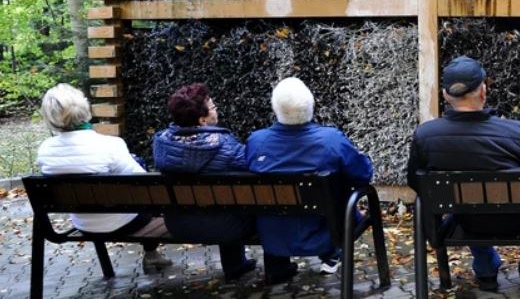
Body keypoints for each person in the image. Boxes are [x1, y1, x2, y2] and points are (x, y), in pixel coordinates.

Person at [406, 56, 520, 293]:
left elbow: (416, 181)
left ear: (445, 95)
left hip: (469, 222)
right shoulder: (514, 132)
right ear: (483, 91)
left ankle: (486, 270)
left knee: (467, 203)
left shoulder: (425, 135)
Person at [246, 77, 373, 285]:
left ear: (274, 108)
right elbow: (362, 175)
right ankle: (331, 255)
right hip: (327, 232)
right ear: (312, 105)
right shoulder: (331, 140)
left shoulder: (256, 141)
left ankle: (278, 267)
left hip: (272, 234)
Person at [35, 83, 173, 273]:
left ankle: (151, 256)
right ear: (84, 108)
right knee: (142, 178)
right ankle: (151, 253)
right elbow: (144, 184)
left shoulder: (44, 150)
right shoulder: (110, 145)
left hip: (84, 225)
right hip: (125, 224)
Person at [152, 83, 256, 280]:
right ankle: (264, 267)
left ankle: (236, 265)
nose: (216, 109)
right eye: (213, 107)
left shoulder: (162, 145)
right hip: (225, 227)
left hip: (178, 225)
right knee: (242, 206)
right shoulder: (225, 146)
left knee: (223, 204)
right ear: (202, 120)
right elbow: (253, 168)